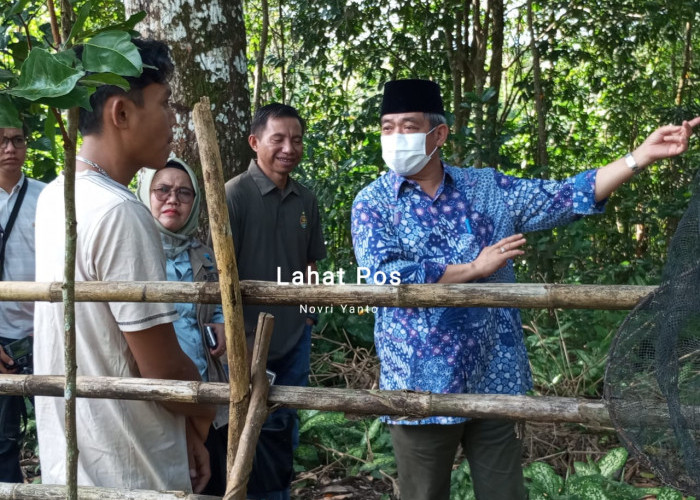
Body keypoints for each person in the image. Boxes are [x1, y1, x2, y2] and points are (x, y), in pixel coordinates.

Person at [350, 79, 700, 500]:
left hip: (495, 373)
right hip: (419, 381)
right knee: (422, 494)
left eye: (407, 126)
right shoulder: (373, 203)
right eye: (387, 127)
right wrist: (474, 268)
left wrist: (639, 156)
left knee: (505, 493)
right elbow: (384, 275)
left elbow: (565, 196)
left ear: (438, 134)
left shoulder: (485, 189)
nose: (395, 137)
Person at [33, 39, 214, 492]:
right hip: (133, 471)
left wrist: (183, 431)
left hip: (77, 463)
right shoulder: (120, 212)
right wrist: (204, 413)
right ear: (121, 113)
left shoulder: (56, 195)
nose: (173, 118)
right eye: (165, 103)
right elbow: (163, 369)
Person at [223, 103, 326, 499]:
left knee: (286, 421)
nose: (289, 147)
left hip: (294, 333)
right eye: (278, 139)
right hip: (247, 336)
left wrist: (309, 315)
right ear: (255, 142)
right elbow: (220, 267)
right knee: (250, 423)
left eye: (296, 139)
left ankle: (277, 493)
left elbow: (310, 261)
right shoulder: (235, 193)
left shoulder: (306, 198)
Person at [136, 157, 228, 495]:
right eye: (162, 190)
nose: (172, 199)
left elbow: (218, 307)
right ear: (145, 194)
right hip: (154, 391)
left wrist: (220, 325)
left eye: (183, 193)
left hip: (203, 389)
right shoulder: (133, 251)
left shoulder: (204, 255)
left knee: (209, 479)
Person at [0, 125, 45, 483]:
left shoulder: (46, 197)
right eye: (1, 140)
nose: (10, 148)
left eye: (18, 139)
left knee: (59, 425)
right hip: (1, 337)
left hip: (45, 332)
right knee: (3, 440)